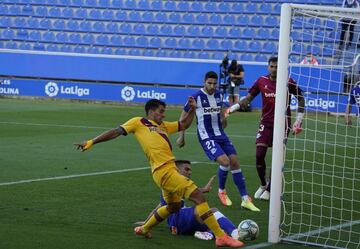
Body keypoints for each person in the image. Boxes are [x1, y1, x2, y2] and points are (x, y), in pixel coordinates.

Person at [74, 98, 243, 248]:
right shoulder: (138, 122)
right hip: (165, 171)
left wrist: (192, 109)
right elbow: (116, 132)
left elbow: (183, 124)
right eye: (161, 112)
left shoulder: (162, 126)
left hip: (164, 172)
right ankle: (221, 237)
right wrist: (92, 141)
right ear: (152, 111)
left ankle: (144, 228)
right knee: (199, 197)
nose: (163, 115)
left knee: (173, 206)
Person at [177, 71, 260, 212]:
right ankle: (221, 190)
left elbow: (221, 112)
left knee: (234, 162)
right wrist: (181, 136)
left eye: (214, 83)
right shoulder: (195, 97)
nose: (212, 86)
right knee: (225, 162)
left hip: (221, 134)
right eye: (209, 83)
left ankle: (245, 199)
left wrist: (224, 119)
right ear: (204, 82)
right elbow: (183, 117)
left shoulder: (219, 95)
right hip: (206, 136)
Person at [226, 57, 305, 201]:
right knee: (259, 154)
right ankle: (263, 184)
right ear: (268, 67)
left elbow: (301, 98)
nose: (274, 69)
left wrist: (298, 121)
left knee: (277, 158)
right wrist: (234, 107)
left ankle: (270, 190)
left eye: (277, 66)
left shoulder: (288, 81)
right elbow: (248, 99)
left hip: (283, 124)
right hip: (266, 123)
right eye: (272, 66)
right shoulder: (261, 81)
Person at [135, 160, 242, 241]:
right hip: (179, 218)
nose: (190, 172)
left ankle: (209, 233)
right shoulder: (173, 183)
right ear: (176, 170)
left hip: (177, 224)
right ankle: (236, 233)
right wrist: (146, 224)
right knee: (211, 212)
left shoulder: (172, 185)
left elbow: (158, 208)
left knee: (210, 220)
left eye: (190, 170)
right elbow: (191, 194)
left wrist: (146, 223)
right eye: (186, 169)